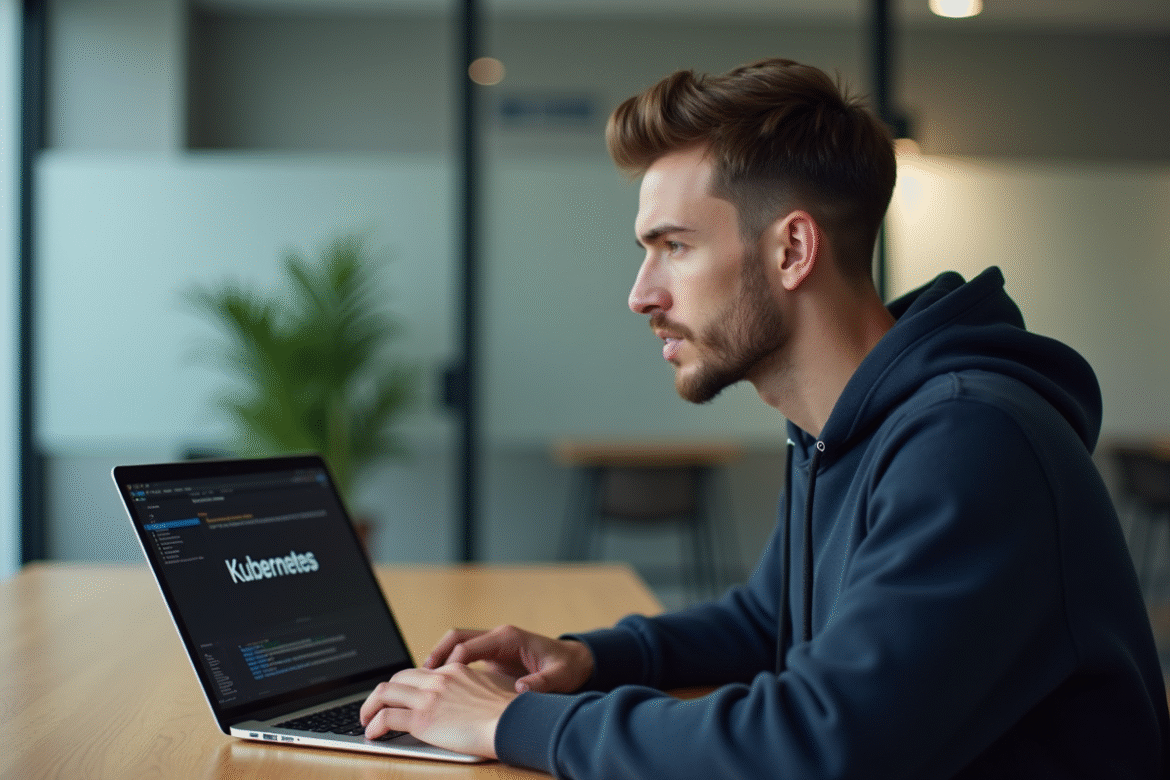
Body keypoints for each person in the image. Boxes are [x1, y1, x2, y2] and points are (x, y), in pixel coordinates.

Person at [359, 58, 1170, 777]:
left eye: (673, 246)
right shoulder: (845, 430)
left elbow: (816, 745)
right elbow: (766, 618)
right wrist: (586, 658)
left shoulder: (972, 443)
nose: (642, 294)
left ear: (791, 251)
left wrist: (510, 721)